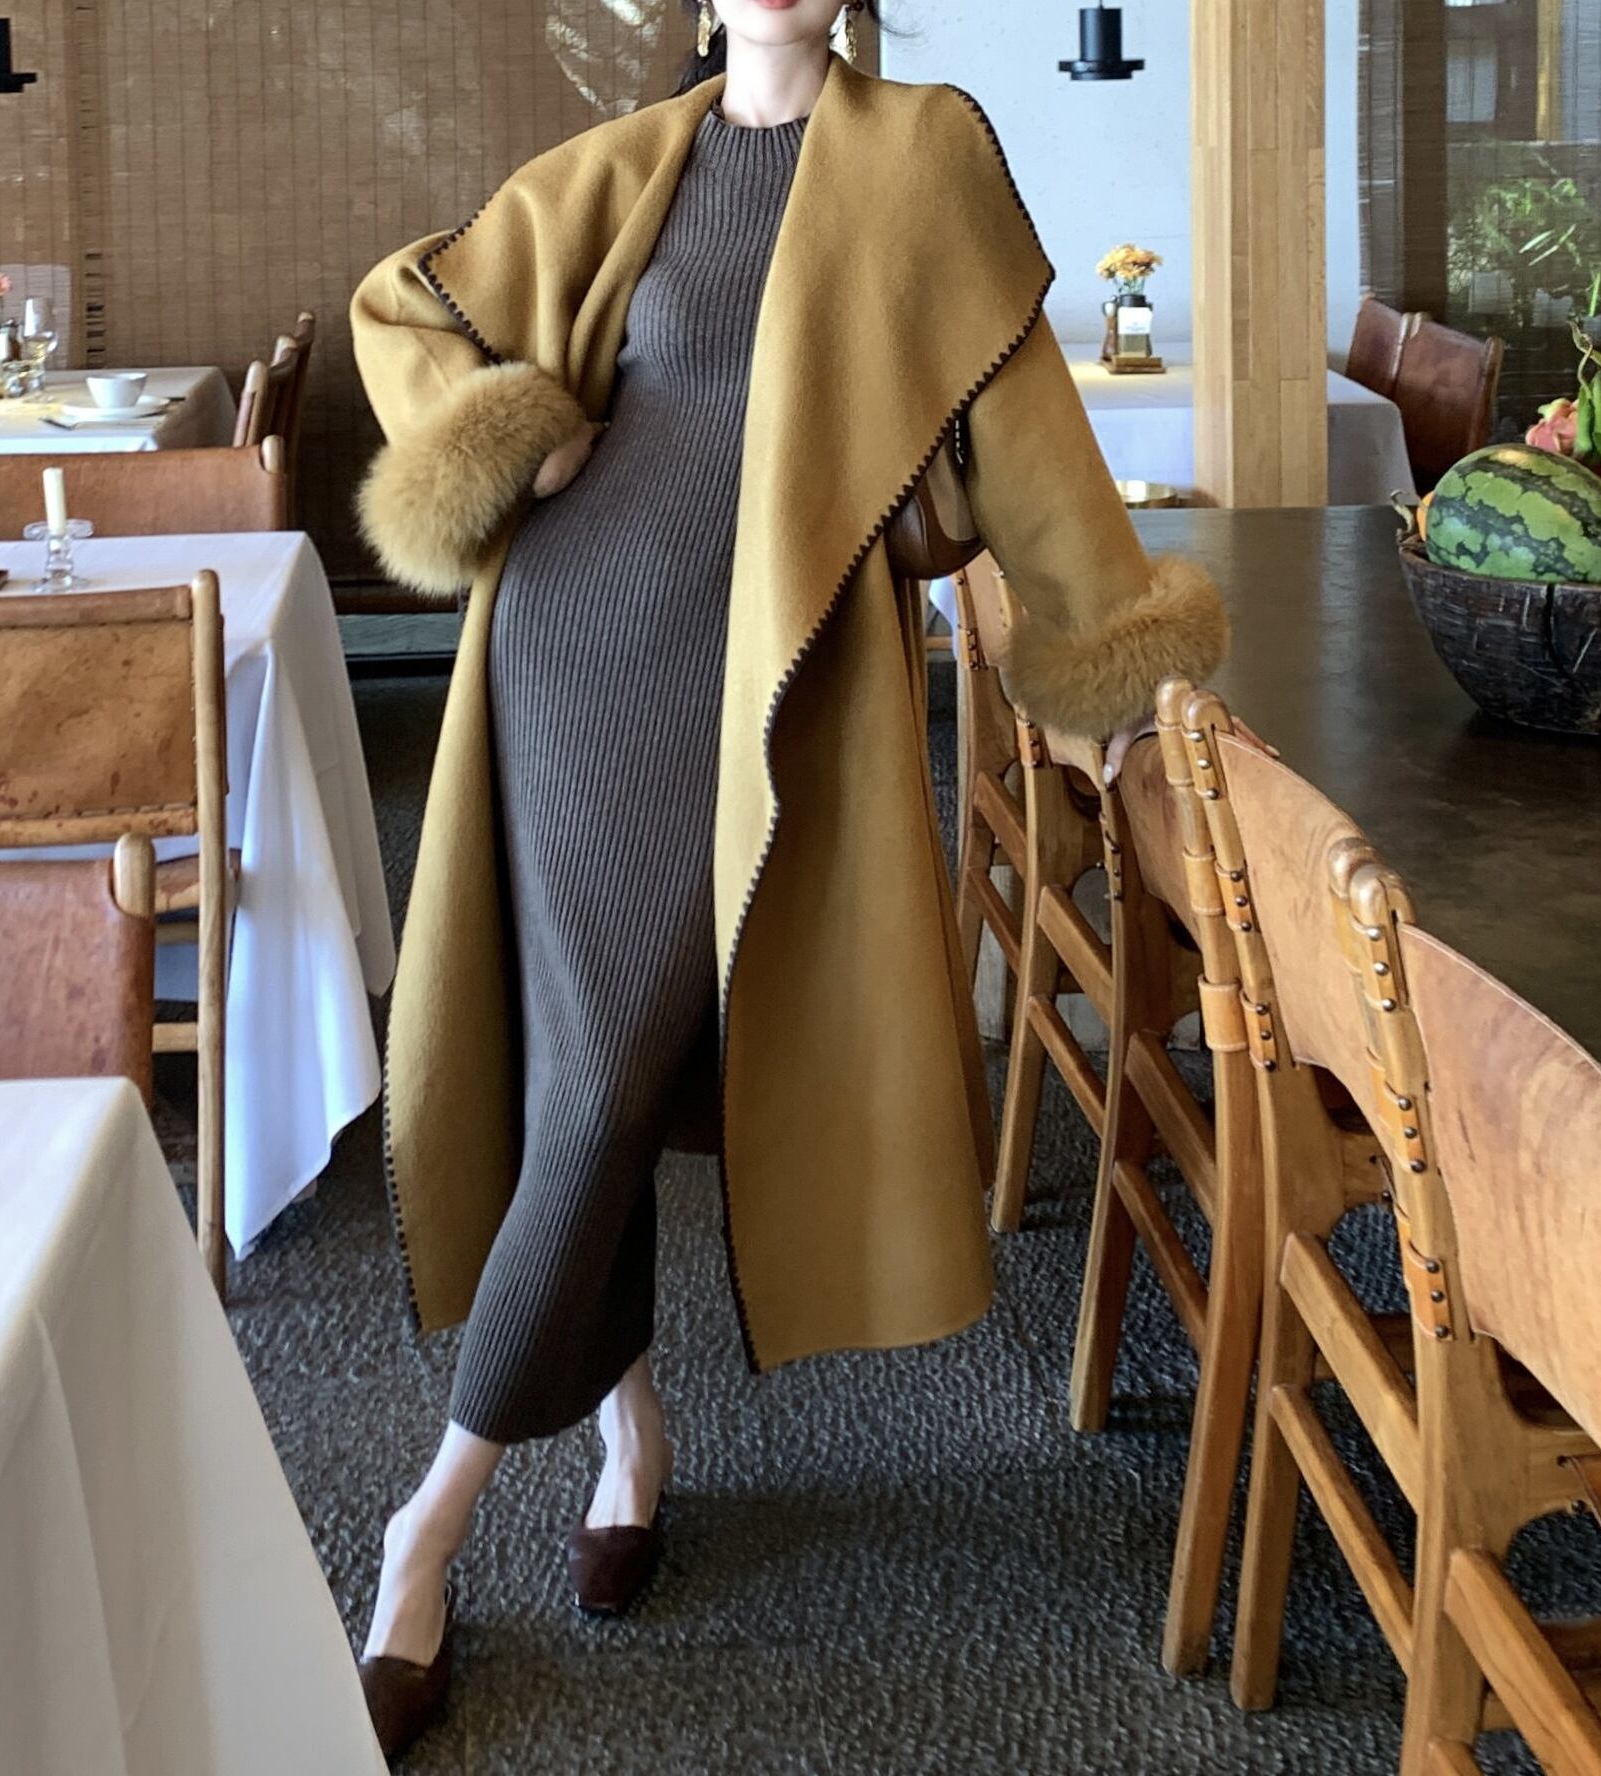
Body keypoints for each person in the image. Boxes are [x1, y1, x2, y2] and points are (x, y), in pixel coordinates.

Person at [349, 0, 1228, 1756]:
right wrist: (514, 427)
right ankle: (566, 1466)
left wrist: (1112, 654)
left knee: (611, 1078)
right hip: (571, 663)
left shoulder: (922, 152)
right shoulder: (624, 165)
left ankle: (431, 1516)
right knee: (588, 1075)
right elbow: (402, 306)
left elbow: (1020, 422)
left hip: (767, 688)